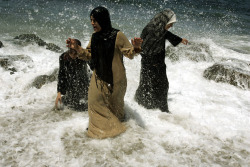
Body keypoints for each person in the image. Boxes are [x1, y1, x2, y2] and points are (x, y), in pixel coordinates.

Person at [66, 6, 142, 139]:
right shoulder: (94, 37)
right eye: (91, 20)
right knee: (94, 103)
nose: (92, 23)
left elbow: (129, 54)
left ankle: (119, 137)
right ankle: (98, 135)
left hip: (117, 81)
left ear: (103, 19)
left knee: (117, 112)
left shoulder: (118, 35)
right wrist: (77, 48)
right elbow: (89, 55)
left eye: (95, 20)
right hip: (99, 78)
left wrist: (136, 47)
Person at [135, 9, 188, 113]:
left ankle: (158, 110)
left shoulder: (161, 31)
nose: (171, 26)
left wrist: (181, 40)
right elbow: (142, 46)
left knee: (161, 85)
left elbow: (169, 35)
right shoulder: (149, 29)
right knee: (148, 84)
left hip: (158, 64)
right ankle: (148, 108)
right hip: (149, 63)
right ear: (164, 21)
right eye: (170, 24)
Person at [55, 39, 89, 111]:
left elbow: (93, 64)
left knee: (85, 104)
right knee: (67, 105)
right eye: (71, 52)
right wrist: (59, 93)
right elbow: (61, 74)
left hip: (84, 81)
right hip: (70, 82)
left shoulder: (83, 57)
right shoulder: (63, 57)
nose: (73, 56)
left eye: (75, 53)